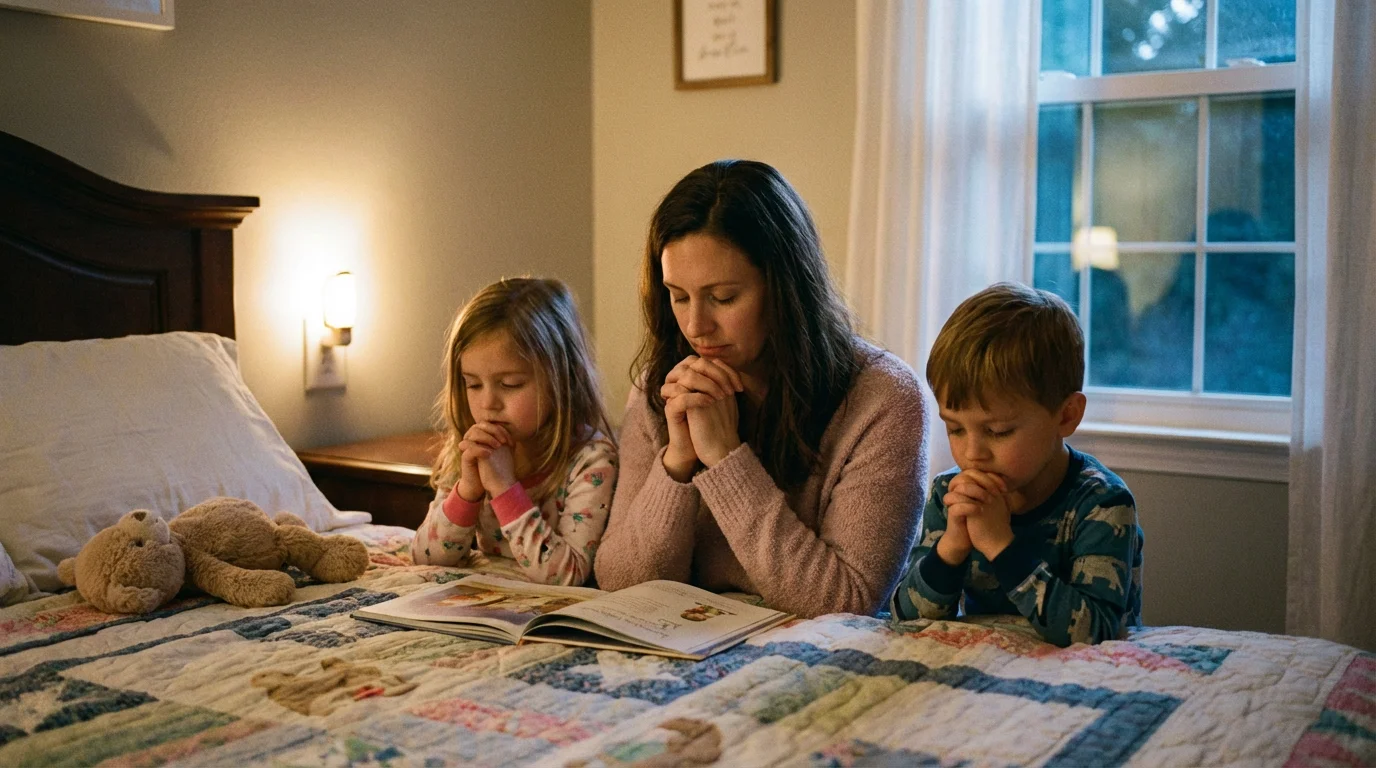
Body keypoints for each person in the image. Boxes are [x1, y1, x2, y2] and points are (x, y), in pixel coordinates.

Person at [593, 159, 930, 618]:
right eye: (678, 295)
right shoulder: (662, 389)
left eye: (724, 298)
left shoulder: (884, 398)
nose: (696, 325)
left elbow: (848, 602)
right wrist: (676, 463)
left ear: (786, 288)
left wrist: (727, 462)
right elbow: (620, 583)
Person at [891, 282, 1144, 647]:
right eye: (955, 428)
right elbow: (904, 620)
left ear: (1066, 416)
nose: (972, 453)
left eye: (997, 431)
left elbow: (1096, 634)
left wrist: (1000, 545)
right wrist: (951, 548)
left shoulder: (1102, 504)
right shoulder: (950, 494)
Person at [411, 277, 616, 587]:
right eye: (473, 384)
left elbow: (568, 576)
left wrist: (505, 489)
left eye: (510, 385)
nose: (488, 403)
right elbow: (426, 557)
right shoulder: (469, 451)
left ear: (561, 379)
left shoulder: (591, 460)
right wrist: (468, 490)